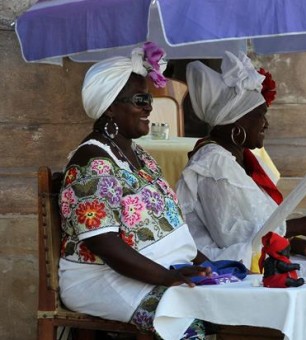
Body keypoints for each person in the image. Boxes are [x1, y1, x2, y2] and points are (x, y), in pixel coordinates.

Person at [58, 42, 214, 338]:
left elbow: (169, 223)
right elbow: (104, 243)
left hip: (147, 272)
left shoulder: (140, 155)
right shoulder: (92, 162)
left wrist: (209, 268)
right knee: (188, 324)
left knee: (222, 305)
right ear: (110, 108)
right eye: (140, 99)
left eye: (148, 99)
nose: (149, 107)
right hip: (100, 278)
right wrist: (168, 278)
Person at [176, 51, 306, 271]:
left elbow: (254, 228)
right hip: (221, 270)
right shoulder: (214, 164)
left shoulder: (236, 162)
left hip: (249, 261)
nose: (266, 124)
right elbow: (232, 236)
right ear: (236, 125)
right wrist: (297, 226)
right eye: (260, 115)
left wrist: (299, 245)